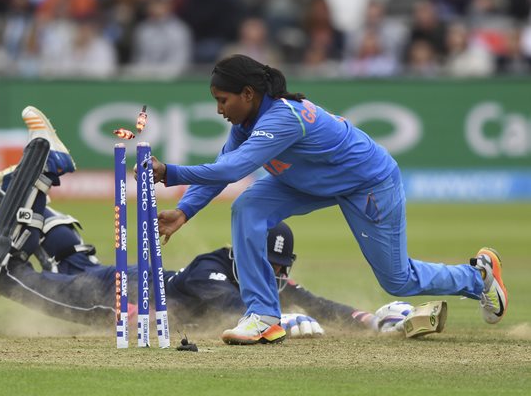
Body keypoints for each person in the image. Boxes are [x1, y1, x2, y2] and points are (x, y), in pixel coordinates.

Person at [145, 54, 508, 345]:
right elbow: (225, 164)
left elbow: (232, 169)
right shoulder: (245, 126)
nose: (219, 109)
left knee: (398, 280)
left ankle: (478, 277)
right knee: (248, 207)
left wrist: (172, 173)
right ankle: (264, 317)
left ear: (248, 94)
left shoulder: (283, 118)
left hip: (368, 183)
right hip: (306, 182)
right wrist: (184, 210)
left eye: (222, 100)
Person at [0, 105, 406, 340]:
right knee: (41, 282)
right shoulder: (211, 271)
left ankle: (20, 193)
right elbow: (232, 309)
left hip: (125, 276)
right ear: (244, 255)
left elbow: (316, 304)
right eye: (272, 269)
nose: (278, 277)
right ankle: (7, 273)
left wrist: (368, 319)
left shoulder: (267, 284)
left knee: (72, 260)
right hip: (120, 297)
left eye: (281, 269)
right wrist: (283, 321)